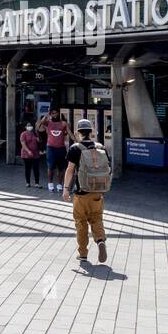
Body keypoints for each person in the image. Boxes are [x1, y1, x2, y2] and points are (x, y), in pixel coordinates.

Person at [62, 117, 112, 264]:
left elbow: (70, 170)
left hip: (81, 193)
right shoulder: (100, 147)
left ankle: (83, 253)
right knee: (97, 219)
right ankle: (100, 240)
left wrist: (66, 189)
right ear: (91, 132)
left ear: (78, 132)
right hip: (97, 192)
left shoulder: (75, 148)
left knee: (81, 223)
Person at [45, 110, 69, 192]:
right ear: (50, 114)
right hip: (51, 148)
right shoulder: (48, 123)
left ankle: (59, 184)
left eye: (56, 113)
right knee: (50, 167)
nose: (55, 114)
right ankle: (50, 183)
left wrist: (77, 141)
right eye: (53, 113)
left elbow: (70, 133)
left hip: (61, 148)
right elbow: (40, 123)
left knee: (61, 168)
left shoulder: (63, 123)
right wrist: (47, 115)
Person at [19, 121, 42, 188]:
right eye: (28, 125)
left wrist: (37, 134)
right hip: (26, 154)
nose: (30, 127)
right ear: (25, 127)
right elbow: (23, 144)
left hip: (35, 154)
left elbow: (39, 141)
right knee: (27, 168)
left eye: (31, 125)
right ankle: (28, 182)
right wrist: (28, 151)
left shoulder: (34, 133)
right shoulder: (23, 134)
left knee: (36, 169)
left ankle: (37, 183)